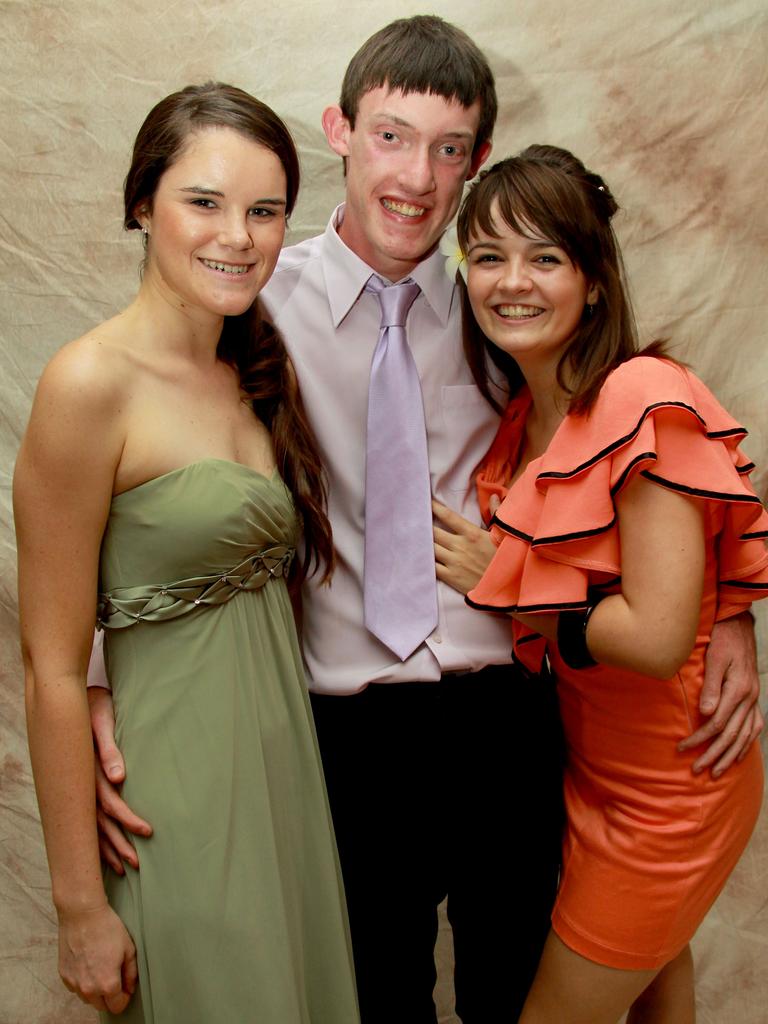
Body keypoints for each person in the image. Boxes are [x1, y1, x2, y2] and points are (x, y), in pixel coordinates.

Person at [87, 18, 763, 1023]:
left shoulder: (507, 305)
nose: (417, 175)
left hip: (510, 715)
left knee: (518, 989)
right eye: (394, 137)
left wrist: (733, 619)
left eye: (450, 150)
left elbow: (635, 461)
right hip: (344, 726)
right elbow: (163, 490)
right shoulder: (257, 300)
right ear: (342, 134)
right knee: (371, 996)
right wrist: (106, 678)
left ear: (477, 162)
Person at [14, 82, 359, 1023]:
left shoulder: (247, 365)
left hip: (285, 782)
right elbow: (48, 664)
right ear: (142, 204)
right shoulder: (89, 383)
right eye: (203, 203)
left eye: (265, 211)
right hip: (175, 796)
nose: (238, 237)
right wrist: (79, 906)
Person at [436, 145, 768, 1024]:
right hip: (585, 772)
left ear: (593, 281)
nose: (513, 282)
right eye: (489, 256)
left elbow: (658, 639)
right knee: (657, 984)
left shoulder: (643, 395)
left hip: (672, 783)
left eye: (545, 258)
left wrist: (507, 575)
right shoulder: (519, 419)